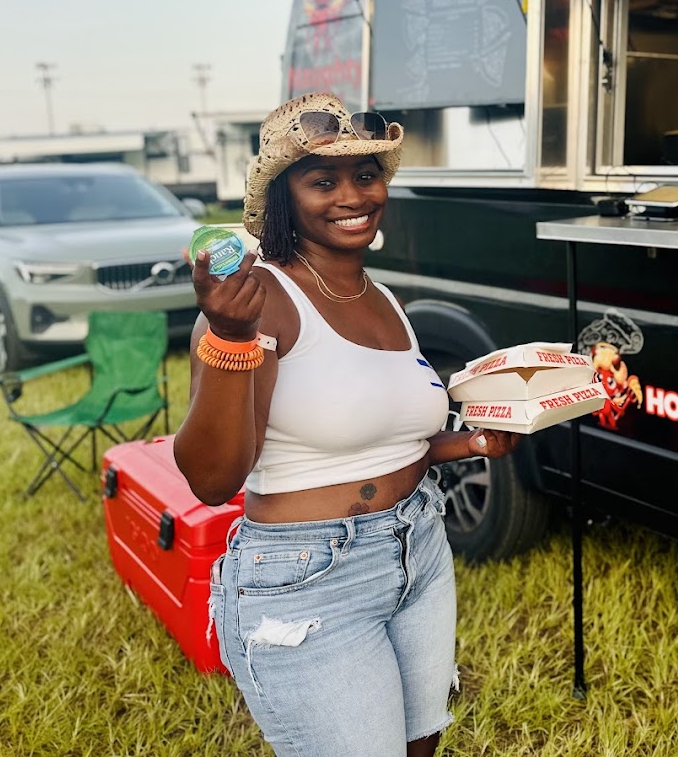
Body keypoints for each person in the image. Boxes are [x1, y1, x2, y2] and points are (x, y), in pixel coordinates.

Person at [176, 92, 521, 757]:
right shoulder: (261, 301)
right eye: (322, 180)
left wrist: (473, 441)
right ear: (283, 197)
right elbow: (212, 480)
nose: (353, 195)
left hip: (419, 546)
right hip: (309, 577)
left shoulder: (384, 297)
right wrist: (229, 337)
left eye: (366, 174)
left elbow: (389, 442)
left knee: (420, 744)